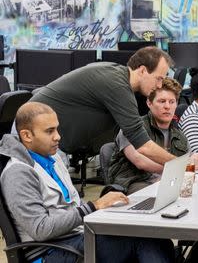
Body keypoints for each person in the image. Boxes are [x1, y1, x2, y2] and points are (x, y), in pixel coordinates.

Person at [0, 102, 174, 262]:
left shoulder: (52, 158)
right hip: (51, 251)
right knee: (144, 241)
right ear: (26, 135)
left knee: (153, 237)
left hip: (77, 235)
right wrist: (93, 206)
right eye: (49, 131)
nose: (58, 137)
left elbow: (72, 203)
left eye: (57, 129)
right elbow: (41, 229)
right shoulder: (18, 173)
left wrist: (106, 211)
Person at [30, 47, 177, 165]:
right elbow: (142, 144)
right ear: (143, 70)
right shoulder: (117, 86)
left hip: (47, 136)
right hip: (34, 132)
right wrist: (182, 166)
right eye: (158, 78)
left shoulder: (117, 75)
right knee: (55, 197)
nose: (159, 85)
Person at [109, 77, 198, 194]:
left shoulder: (179, 135)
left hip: (166, 183)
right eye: (162, 101)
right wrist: (184, 167)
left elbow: (190, 160)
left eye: (171, 102)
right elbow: (140, 161)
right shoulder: (132, 128)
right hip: (133, 185)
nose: (167, 106)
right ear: (149, 103)